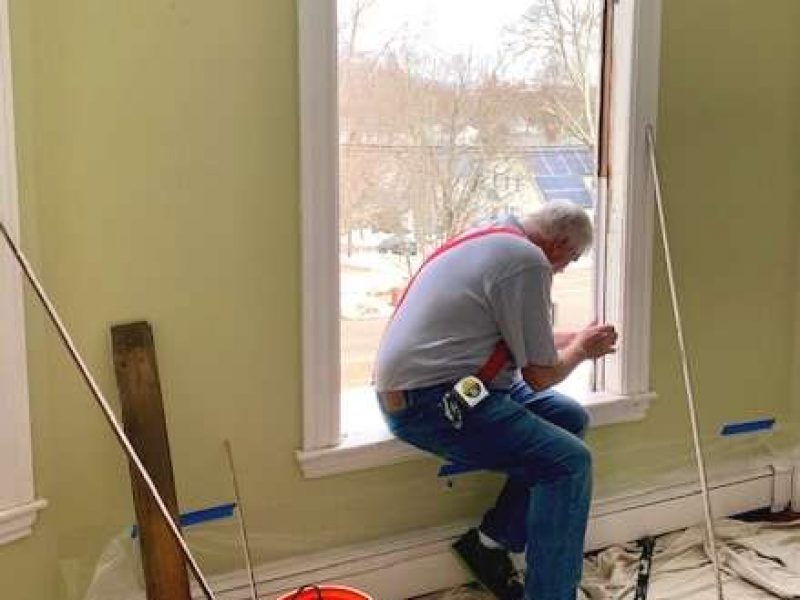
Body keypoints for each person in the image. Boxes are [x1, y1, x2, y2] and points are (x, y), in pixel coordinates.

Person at [374, 200, 618, 600]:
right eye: (571, 259)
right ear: (557, 245)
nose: (565, 269)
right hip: (431, 402)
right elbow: (540, 376)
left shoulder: (492, 237)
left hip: (446, 387)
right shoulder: (528, 262)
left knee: (568, 419)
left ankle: (489, 544)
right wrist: (581, 351)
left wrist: (577, 340)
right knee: (568, 463)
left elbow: (525, 341)